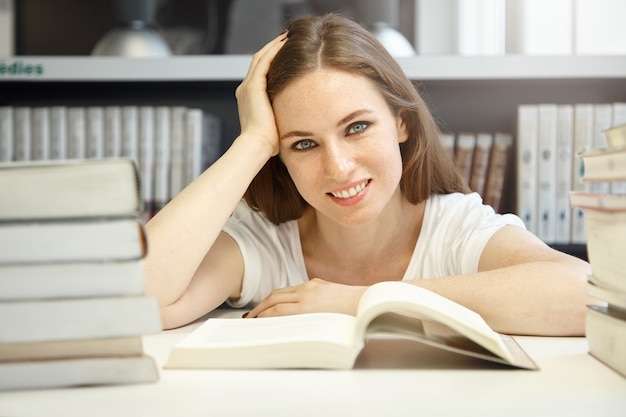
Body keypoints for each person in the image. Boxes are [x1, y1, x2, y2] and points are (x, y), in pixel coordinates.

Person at [144, 14, 595, 335]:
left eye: (357, 127)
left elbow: (583, 295)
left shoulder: (453, 227)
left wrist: (363, 301)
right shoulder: (264, 241)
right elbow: (135, 303)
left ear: (402, 121)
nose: (338, 167)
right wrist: (254, 142)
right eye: (303, 143)